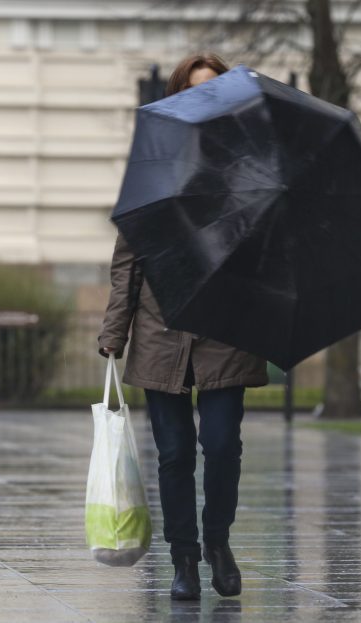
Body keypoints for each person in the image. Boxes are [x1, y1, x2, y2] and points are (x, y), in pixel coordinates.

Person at [97, 52, 269, 602]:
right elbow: (130, 257)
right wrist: (114, 331)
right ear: (178, 98)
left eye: (215, 92)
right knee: (173, 454)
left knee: (221, 446)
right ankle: (185, 558)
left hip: (226, 328)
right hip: (160, 328)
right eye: (195, 91)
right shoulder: (153, 165)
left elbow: (265, 258)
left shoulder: (250, 169)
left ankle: (217, 541)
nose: (205, 102)